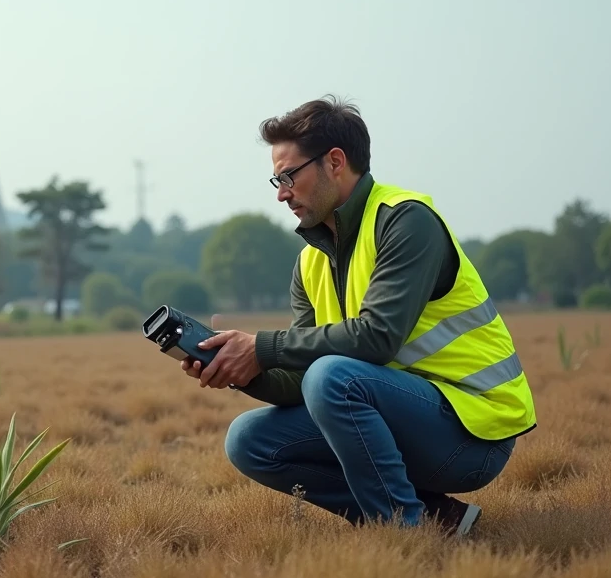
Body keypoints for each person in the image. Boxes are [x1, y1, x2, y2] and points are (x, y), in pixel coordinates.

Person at [182, 96, 537, 535]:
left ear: (335, 162)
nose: (281, 193)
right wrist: (240, 368)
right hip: (400, 419)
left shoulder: (406, 221)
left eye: (289, 175)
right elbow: (301, 381)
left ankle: (402, 534)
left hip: (473, 434)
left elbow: (376, 339)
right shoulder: (310, 263)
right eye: (275, 179)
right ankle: (435, 519)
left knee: (333, 376)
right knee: (250, 441)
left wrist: (262, 346)